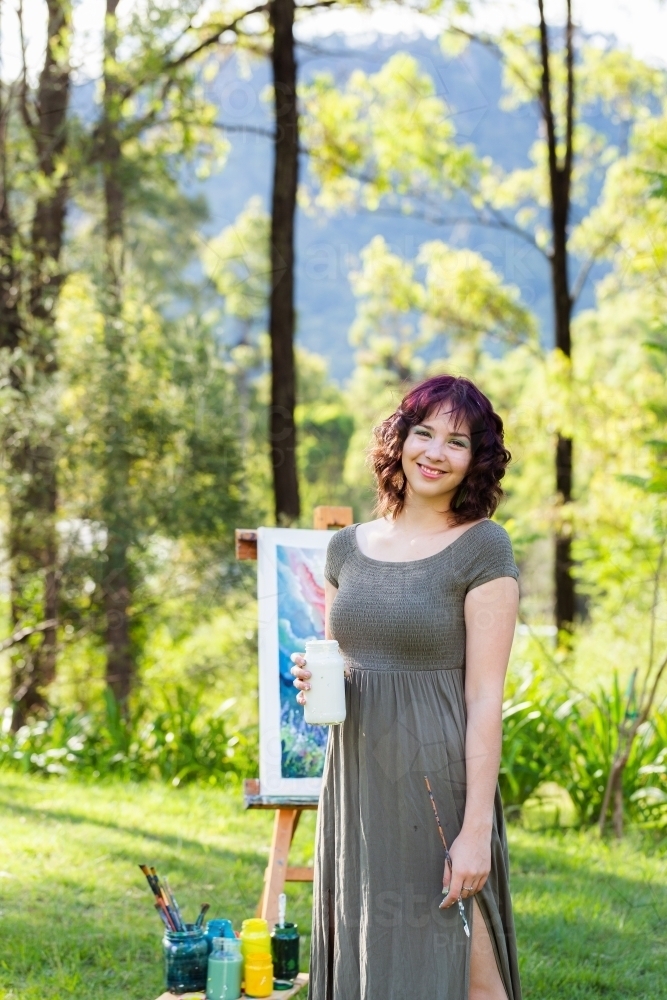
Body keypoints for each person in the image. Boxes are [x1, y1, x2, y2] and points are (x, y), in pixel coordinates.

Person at [291, 374, 522, 1000]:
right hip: (359, 779)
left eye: (457, 441)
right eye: (424, 433)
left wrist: (476, 829)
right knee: (370, 950)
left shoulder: (482, 548)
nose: (435, 452)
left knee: (466, 966)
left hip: (436, 777)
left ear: (476, 460)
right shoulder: (346, 549)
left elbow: (483, 700)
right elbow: (345, 659)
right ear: (399, 440)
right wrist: (318, 678)